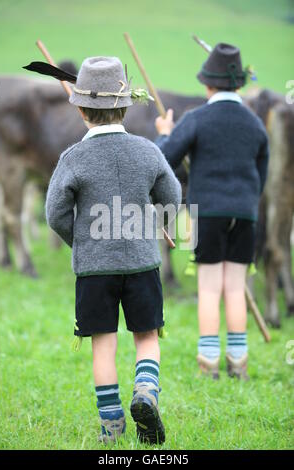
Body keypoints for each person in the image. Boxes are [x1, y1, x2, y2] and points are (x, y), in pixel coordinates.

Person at [45, 56, 181, 443]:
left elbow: (55, 214)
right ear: (125, 105)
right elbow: (171, 195)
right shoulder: (148, 151)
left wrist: (84, 242)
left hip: (94, 270)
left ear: (83, 110)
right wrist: (161, 222)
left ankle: (112, 426)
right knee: (147, 337)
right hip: (142, 263)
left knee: (103, 345)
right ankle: (146, 392)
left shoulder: (72, 158)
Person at [155, 43, 269, 380]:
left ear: (207, 85)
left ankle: (209, 365)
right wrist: (248, 200)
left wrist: (165, 134)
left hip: (206, 215)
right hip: (246, 214)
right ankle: (238, 363)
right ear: (240, 85)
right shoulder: (255, 123)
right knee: (234, 287)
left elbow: (166, 160)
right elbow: (262, 170)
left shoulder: (196, 119)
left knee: (208, 288)